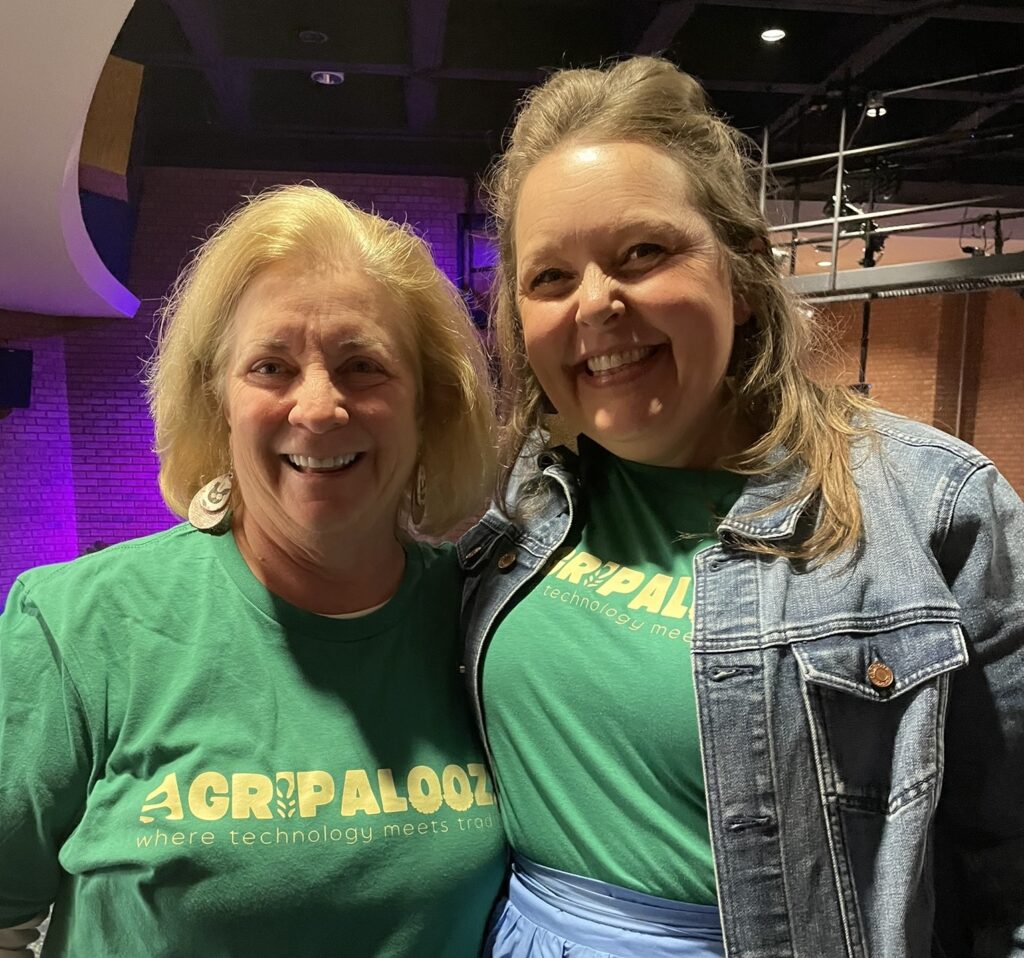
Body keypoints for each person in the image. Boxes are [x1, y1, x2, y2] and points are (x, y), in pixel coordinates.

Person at [458, 57, 1024, 958]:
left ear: (745, 269)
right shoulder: (504, 500)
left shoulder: (936, 507)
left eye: (643, 253)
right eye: (551, 277)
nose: (597, 303)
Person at [0, 185, 506, 956]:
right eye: (271, 366)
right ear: (219, 399)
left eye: (363, 365)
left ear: (429, 403)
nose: (318, 407)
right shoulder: (79, 628)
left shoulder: (489, 620)